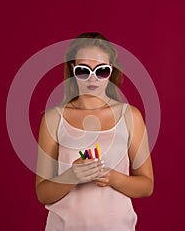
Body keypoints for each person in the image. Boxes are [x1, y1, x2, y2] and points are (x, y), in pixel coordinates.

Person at [35, 32, 154, 231]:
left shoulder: (130, 116)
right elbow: (42, 193)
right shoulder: (53, 118)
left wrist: (113, 178)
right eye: (84, 70)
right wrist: (71, 176)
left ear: (111, 71)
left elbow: (146, 186)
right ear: (73, 69)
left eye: (101, 71)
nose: (93, 78)